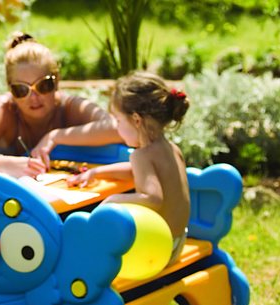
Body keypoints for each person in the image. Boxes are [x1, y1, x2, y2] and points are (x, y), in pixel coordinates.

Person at [68, 72, 191, 265]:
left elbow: (153, 198)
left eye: (118, 120)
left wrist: (113, 200)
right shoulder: (170, 149)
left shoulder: (142, 155)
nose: (116, 128)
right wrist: (96, 172)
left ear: (136, 120)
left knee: (91, 249)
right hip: (177, 243)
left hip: (156, 252)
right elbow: (137, 171)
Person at [0, 32, 124, 178]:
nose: (33, 97)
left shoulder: (69, 107)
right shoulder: (5, 108)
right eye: (21, 89)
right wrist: (5, 164)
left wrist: (55, 136)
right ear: (10, 89)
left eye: (43, 85)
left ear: (57, 81)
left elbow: (119, 128)